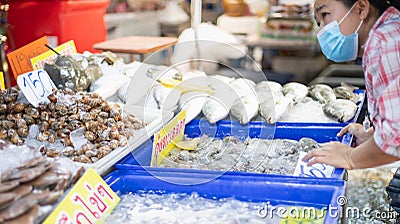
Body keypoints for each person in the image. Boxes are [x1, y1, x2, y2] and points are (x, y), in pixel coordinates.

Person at [302, 0, 400, 212]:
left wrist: (349, 157)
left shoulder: (384, 43)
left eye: (325, 15)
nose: (322, 31)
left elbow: (395, 137)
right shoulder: (389, 31)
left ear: (361, 9)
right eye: (318, 23)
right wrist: (373, 136)